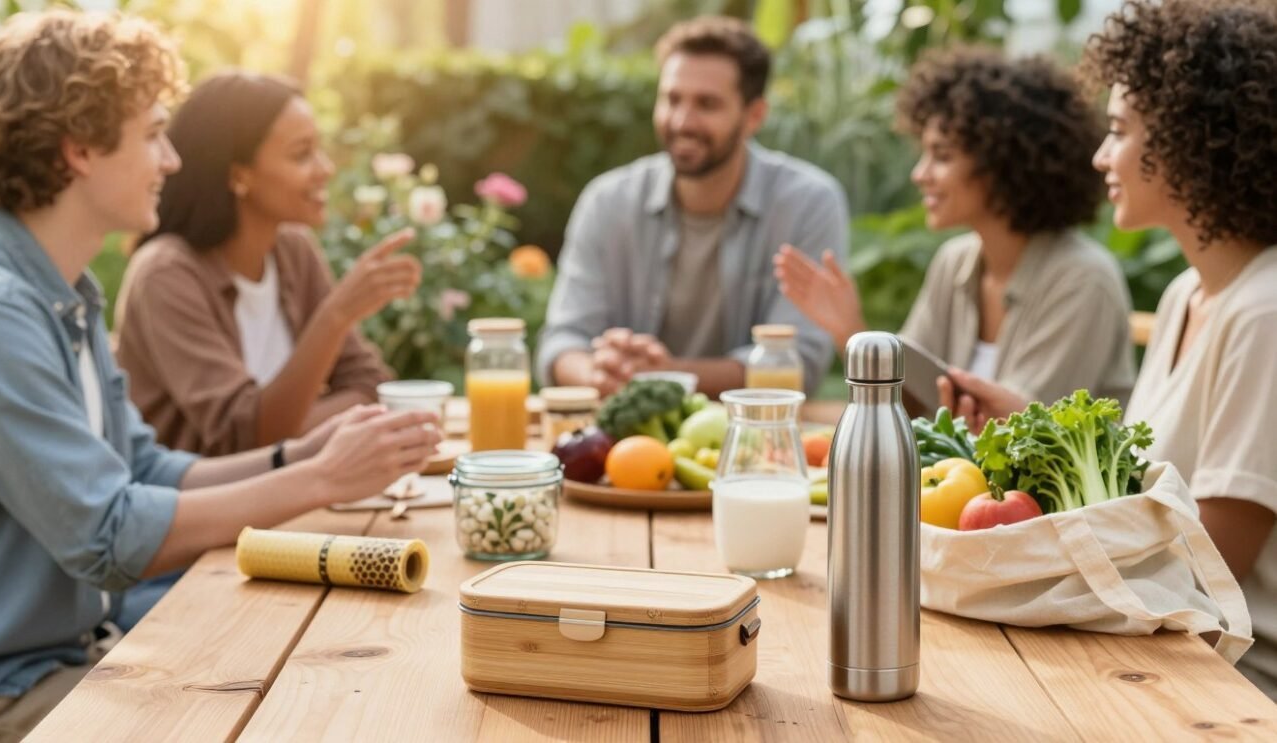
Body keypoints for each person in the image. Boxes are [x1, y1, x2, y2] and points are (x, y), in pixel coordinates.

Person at [0, 13, 440, 740]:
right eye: (153, 134)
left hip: (80, 652)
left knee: (341, 690)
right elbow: (108, 532)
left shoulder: (65, 295)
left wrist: (306, 454)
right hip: (7, 693)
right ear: (80, 150)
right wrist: (317, 481)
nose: (170, 159)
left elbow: (145, 465)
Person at [942, 0, 1277, 697]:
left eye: (1119, 130)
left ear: (1191, 140)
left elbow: (1211, 560)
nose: (1101, 155)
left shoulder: (1263, 311)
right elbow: (1143, 496)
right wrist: (1034, 424)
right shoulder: (1192, 291)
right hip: (1156, 638)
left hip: (1230, 679)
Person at [775, 46, 1134, 411]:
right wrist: (850, 331)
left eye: (942, 156)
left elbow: (1028, 431)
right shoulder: (956, 261)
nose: (920, 174)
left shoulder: (1082, 279)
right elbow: (907, 404)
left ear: (1003, 163)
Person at [537, 16, 848, 397]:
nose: (683, 121)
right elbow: (562, 340)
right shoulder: (607, 202)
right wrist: (598, 374)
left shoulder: (808, 203)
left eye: (707, 104)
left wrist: (666, 377)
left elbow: (799, 361)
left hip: (753, 437)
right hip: (624, 443)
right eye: (672, 99)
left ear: (754, 116)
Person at [114, 71, 420, 456]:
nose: (325, 168)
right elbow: (243, 435)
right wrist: (336, 314)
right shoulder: (166, 276)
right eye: (301, 154)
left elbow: (369, 385)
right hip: (207, 510)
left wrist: (284, 437)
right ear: (240, 176)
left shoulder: (293, 251)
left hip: (295, 497)